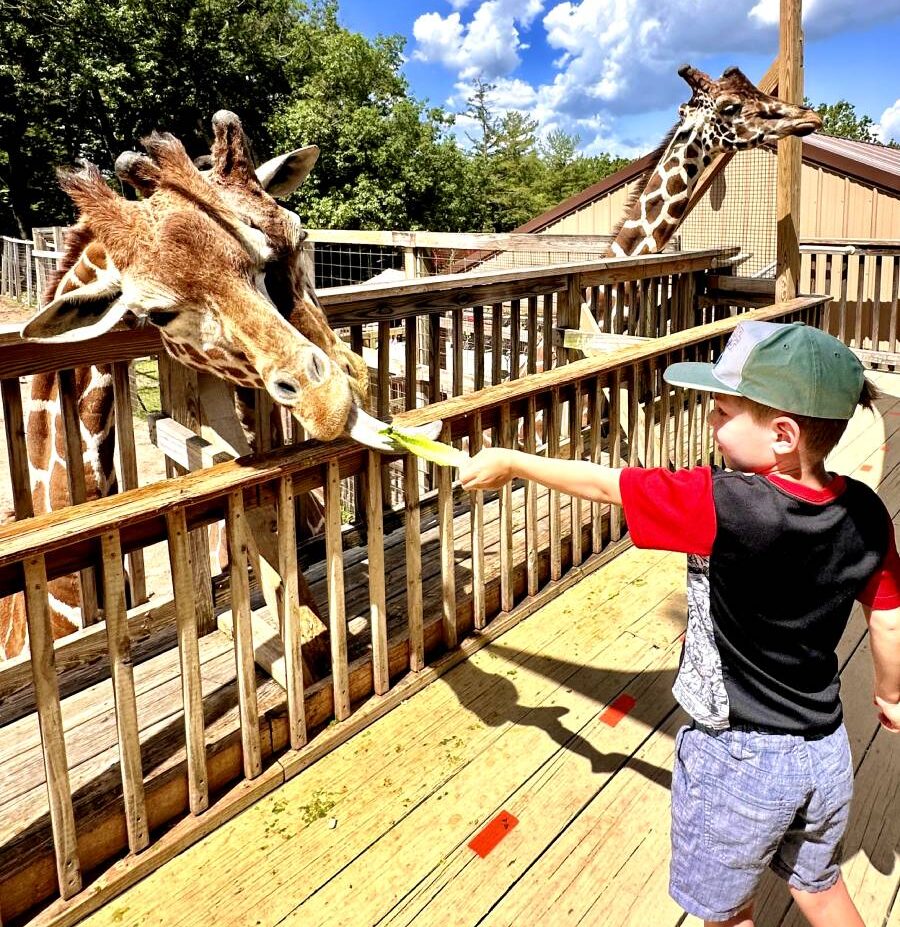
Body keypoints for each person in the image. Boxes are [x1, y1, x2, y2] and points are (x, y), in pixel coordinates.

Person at [458, 320, 900, 927]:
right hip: (824, 748)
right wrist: (890, 694)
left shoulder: (720, 504)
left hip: (736, 754)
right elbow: (889, 615)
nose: (710, 426)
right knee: (819, 888)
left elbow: (604, 484)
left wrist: (514, 462)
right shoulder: (867, 512)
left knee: (725, 912)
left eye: (720, 413)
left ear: (783, 435)